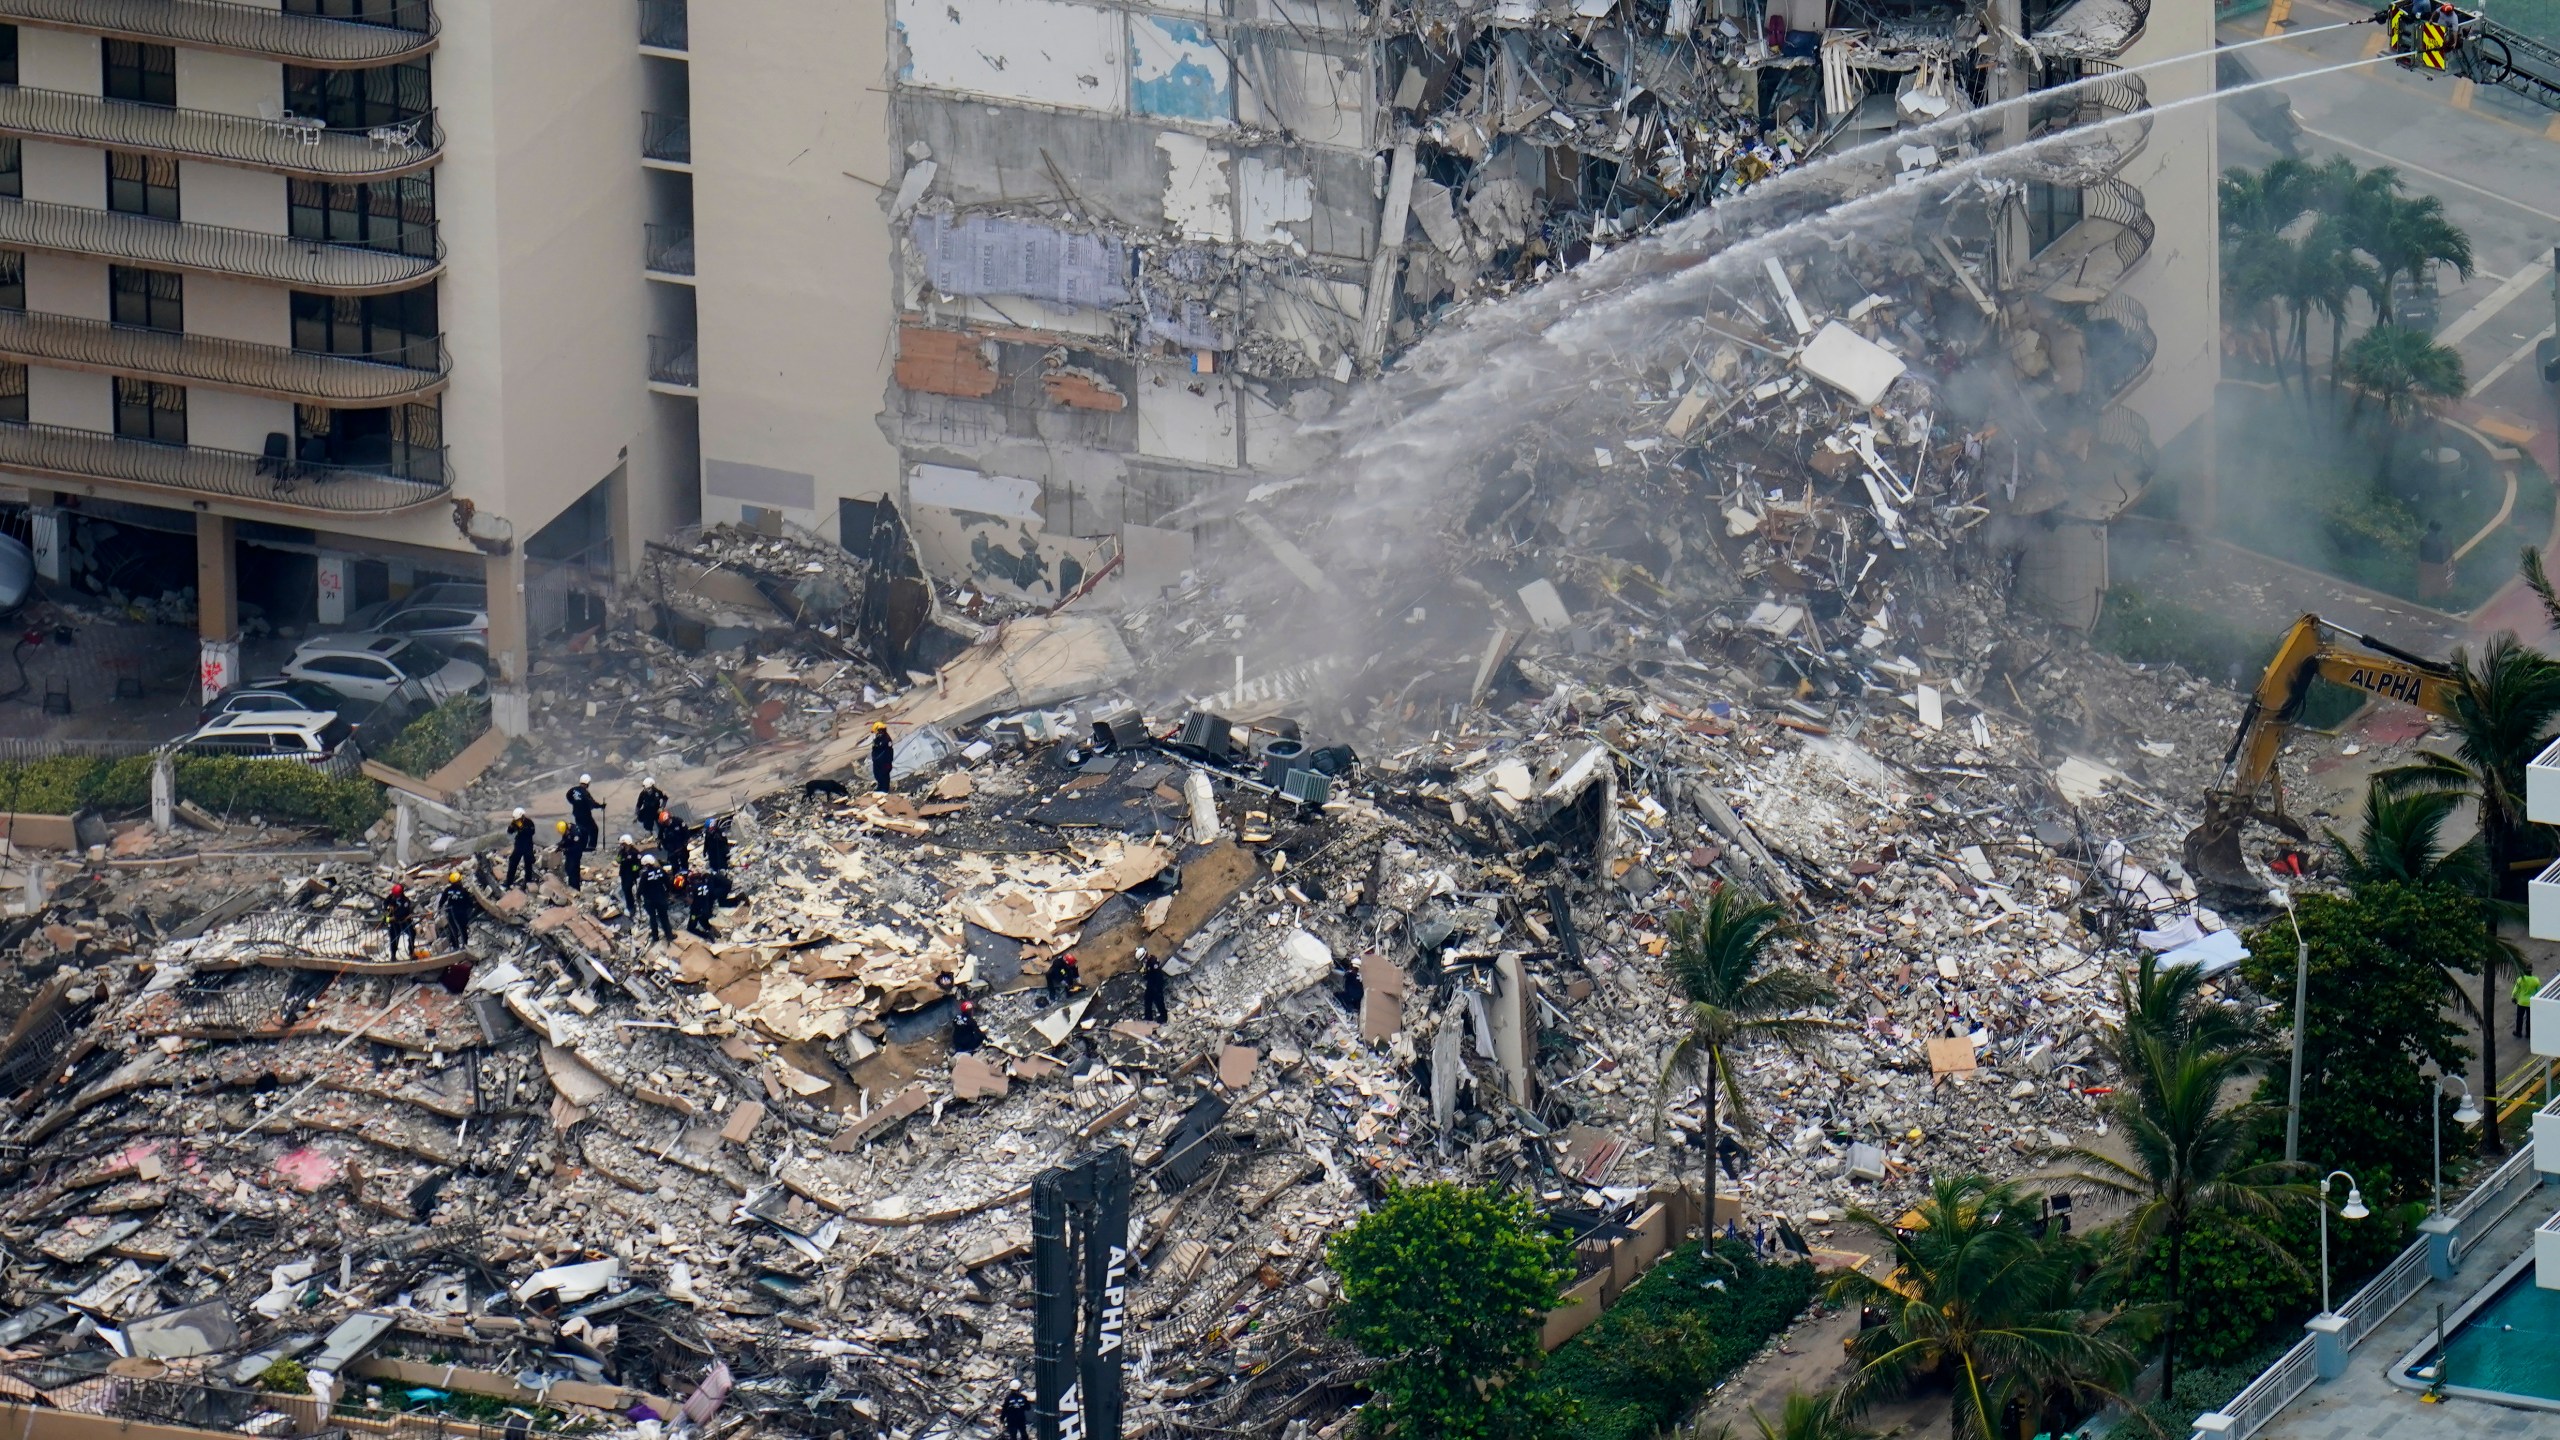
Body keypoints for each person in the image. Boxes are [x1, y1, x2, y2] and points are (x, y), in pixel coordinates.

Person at [637, 857, 675, 943]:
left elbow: (641, 888)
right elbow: (668, 883)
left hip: (649, 900)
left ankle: (655, 936)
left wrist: (638, 896)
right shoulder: (660, 871)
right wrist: (667, 892)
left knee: (652, 918)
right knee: (664, 917)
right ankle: (669, 935)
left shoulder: (645, 874)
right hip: (661, 898)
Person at [438, 872, 475, 950]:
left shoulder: (447, 890)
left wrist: (439, 909)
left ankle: (455, 946)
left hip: (450, 912)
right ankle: (464, 945)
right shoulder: (463, 891)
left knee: (453, 929)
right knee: (462, 929)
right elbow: (469, 902)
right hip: (461, 913)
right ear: (458, 882)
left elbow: (441, 901)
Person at [504, 807, 538, 888]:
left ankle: (528, 882)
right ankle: (508, 883)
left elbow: (531, 832)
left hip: (527, 845)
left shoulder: (529, 823)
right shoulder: (515, 822)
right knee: (513, 862)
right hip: (519, 845)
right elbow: (510, 831)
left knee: (528, 863)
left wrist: (522, 828)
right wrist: (512, 826)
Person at [382, 883, 416, 964]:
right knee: (393, 939)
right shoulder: (391, 896)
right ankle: (393, 956)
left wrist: (387, 919)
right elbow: (385, 903)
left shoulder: (405, 901)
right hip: (394, 924)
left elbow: (401, 914)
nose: (394, 896)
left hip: (404, 922)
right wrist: (388, 907)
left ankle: (411, 953)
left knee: (412, 934)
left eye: (396, 894)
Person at [566, 774, 601, 848]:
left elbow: (568, 795)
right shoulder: (585, 793)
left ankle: (582, 846)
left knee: (582, 831)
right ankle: (591, 847)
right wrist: (601, 806)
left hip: (576, 814)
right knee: (594, 830)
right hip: (585, 815)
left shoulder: (573, 790)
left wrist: (574, 802)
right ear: (587, 783)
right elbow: (592, 803)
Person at [683, 868, 718, 939]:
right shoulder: (705, 885)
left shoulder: (691, 888)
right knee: (703, 921)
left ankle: (706, 936)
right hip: (706, 909)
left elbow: (691, 901)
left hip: (695, 911)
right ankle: (716, 933)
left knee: (690, 928)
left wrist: (684, 898)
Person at [616, 834, 643, 914]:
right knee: (625, 889)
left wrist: (634, 869)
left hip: (631, 874)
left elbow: (639, 864)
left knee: (628, 888)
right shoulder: (622, 852)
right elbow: (618, 860)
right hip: (624, 873)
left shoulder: (635, 853)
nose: (622, 845)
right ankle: (630, 904)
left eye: (623, 844)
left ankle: (631, 907)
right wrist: (620, 858)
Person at [1141, 950, 1169, 1023]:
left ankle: (1164, 1017)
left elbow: (1156, 975)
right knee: (1147, 1000)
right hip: (1151, 983)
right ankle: (1148, 1017)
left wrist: (1156, 987)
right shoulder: (1147, 962)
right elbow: (1149, 973)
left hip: (1157, 984)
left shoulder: (1153, 961)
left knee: (1159, 1001)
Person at [558, 820, 586, 889]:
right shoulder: (566, 830)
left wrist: (566, 849)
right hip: (569, 854)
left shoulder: (576, 834)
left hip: (575, 854)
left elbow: (577, 847)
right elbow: (565, 839)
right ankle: (571, 885)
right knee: (568, 869)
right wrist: (560, 845)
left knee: (573, 871)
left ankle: (575, 888)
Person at [870, 721, 896, 792]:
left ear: (880, 731)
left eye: (877, 732)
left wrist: (887, 762)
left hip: (884, 762)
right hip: (877, 762)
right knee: (878, 776)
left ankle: (884, 790)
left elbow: (887, 752)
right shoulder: (877, 739)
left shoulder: (886, 740)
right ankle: (880, 787)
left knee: (884, 776)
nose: (876, 734)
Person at [2517, 968, 2543, 1039]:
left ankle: (2518, 1032)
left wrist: (2513, 997)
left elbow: (2516, 989)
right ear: (2531, 971)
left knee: (2519, 1018)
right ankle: (2528, 1034)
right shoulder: (2535, 980)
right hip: (2531, 1003)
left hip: (2521, 1002)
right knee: (2529, 1019)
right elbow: (2539, 991)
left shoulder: (2520, 979)